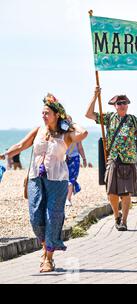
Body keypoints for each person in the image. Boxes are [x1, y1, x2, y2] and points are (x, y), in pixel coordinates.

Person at [0, 93, 88, 273]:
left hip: (58, 180)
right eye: (42, 112)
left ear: (57, 115)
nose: (43, 115)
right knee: (35, 218)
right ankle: (46, 245)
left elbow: (83, 133)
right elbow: (21, 145)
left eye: (47, 112)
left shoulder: (67, 134)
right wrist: (5, 154)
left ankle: (48, 258)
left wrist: (69, 122)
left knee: (52, 218)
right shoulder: (38, 130)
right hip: (35, 179)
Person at [85, 88, 137, 231]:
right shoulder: (110, 118)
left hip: (128, 160)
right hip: (113, 160)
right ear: (114, 106)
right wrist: (95, 96)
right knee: (111, 193)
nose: (122, 105)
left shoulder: (133, 120)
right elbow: (89, 114)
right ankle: (116, 216)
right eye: (119, 103)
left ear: (127, 105)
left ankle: (124, 221)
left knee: (126, 194)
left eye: (124, 103)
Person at [65, 120, 88, 207]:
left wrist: (84, 158)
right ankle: (66, 198)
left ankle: (68, 198)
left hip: (73, 158)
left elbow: (80, 147)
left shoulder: (76, 135)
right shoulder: (62, 134)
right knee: (66, 179)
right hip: (65, 158)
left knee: (70, 179)